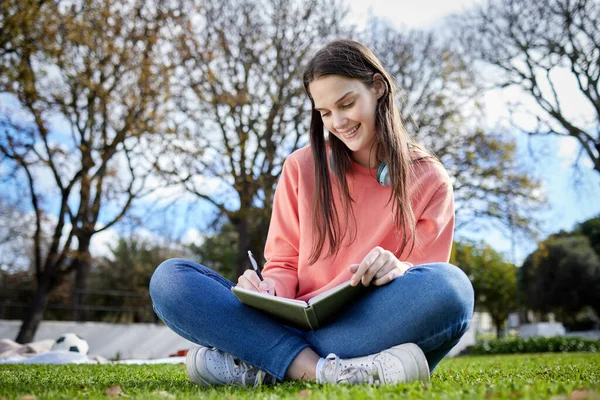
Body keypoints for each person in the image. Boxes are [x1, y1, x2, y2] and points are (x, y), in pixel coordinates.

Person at [149, 39, 474, 387]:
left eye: (346, 104)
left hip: (365, 324)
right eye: (325, 113)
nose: (338, 121)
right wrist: (268, 287)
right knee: (171, 279)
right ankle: (327, 372)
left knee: (451, 287)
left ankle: (263, 360)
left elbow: (427, 273)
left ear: (377, 88)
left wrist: (399, 268)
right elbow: (284, 262)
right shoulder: (301, 167)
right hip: (292, 320)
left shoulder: (429, 178)